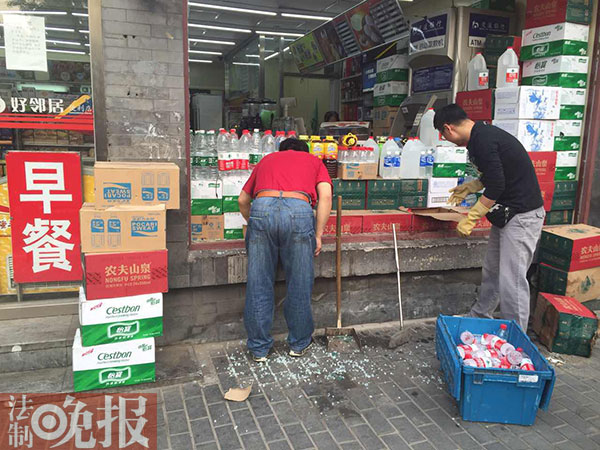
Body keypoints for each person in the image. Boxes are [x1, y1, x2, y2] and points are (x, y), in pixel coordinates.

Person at [433, 104, 545, 331]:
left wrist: (472, 216)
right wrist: (473, 185)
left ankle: (516, 336)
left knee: (511, 280)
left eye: (444, 136)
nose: (447, 140)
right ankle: (480, 317)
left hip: (522, 216)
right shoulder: (479, 136)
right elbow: (496, 173)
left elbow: (497, 184)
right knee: (492, 271)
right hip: (506, 214)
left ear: (448, 128)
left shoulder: (483, 140)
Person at [238, 138, 333, 362]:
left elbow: (242, 199)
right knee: (299, 282)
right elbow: (326, 197)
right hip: (299, 211)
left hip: (261, 207)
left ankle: (259, 348)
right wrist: (318, 234)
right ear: (305, 150)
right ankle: (298, 344)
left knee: (258, 282)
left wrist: (255, 222)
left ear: (281, 150)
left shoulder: (267, 160)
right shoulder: (314, 161)